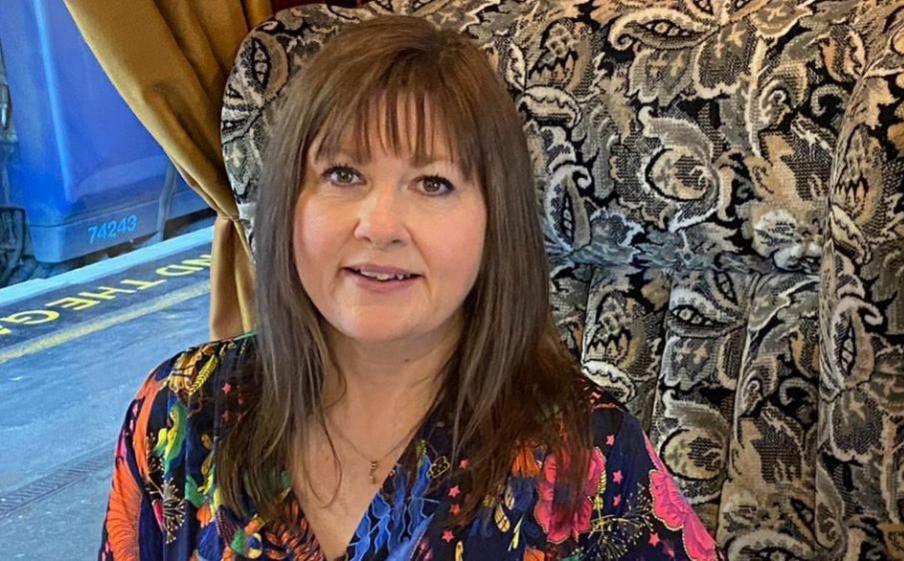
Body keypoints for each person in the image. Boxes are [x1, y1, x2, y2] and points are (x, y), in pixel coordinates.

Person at [98, 15, 718, 561]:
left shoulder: (588, 457)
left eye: (433, 183)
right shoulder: (178, 414)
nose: (380, 226)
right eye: (343, 173)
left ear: (493, 222)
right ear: (289, 202)